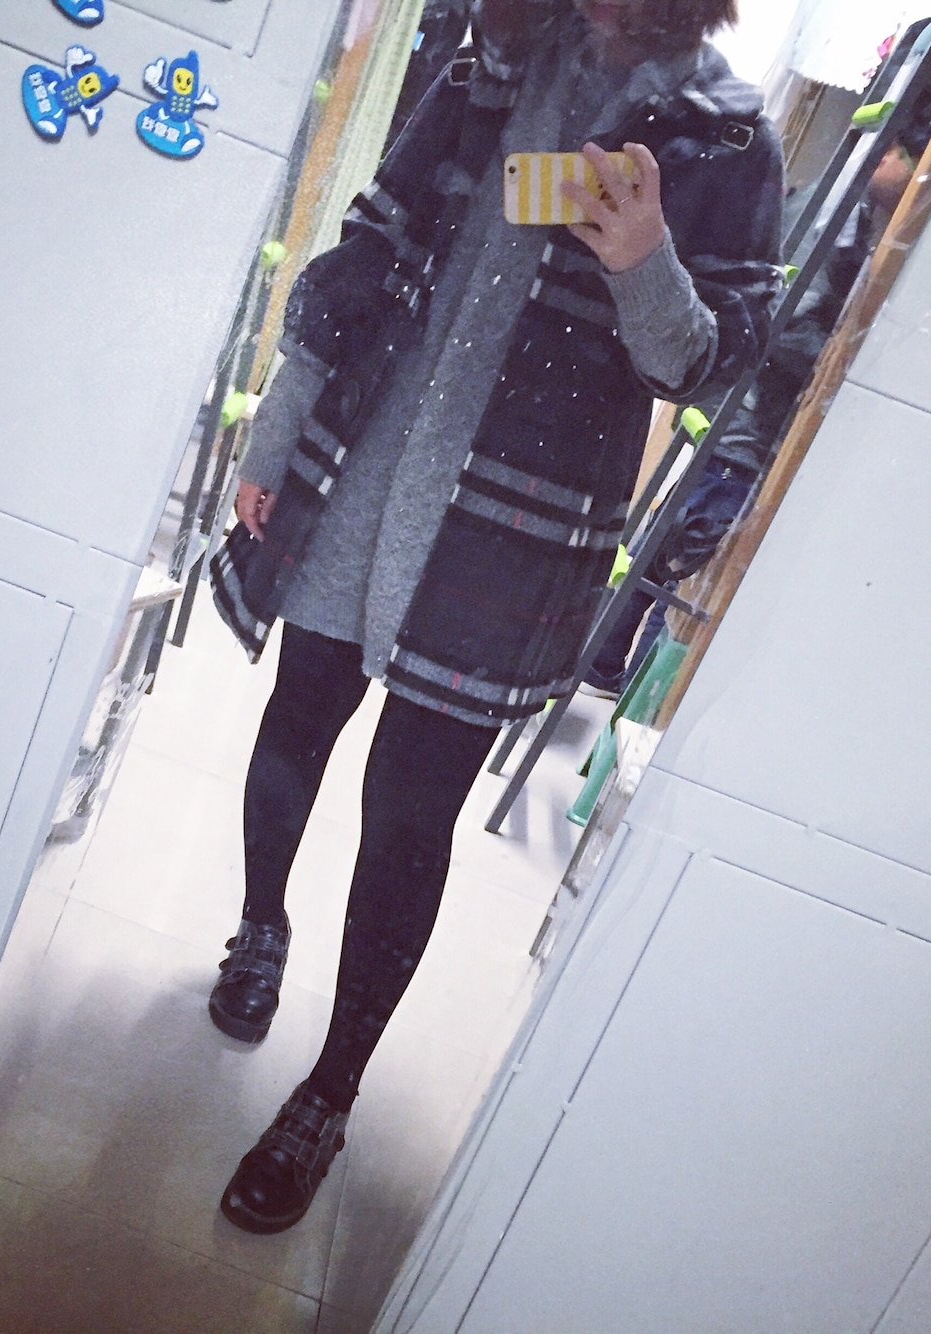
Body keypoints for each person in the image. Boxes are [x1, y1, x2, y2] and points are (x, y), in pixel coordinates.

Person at [208, 0, 785, 1235]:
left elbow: (711, 367)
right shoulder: (493, 58)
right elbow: (365, 247)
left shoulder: (729, 137)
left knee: (408, 811)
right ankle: (258, 926)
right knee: (298, 715)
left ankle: (328, 1090)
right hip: (360, 468)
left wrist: (646, 260)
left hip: (511, 530)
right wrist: (275, 428)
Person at [580, 86, 931, 700]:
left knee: (667, 545)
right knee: (689, 566)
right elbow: (786, 330)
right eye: (912, 160)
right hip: (749, 427)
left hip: (730, 416)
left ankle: (605, 665)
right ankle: (634, 696)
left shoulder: (831, 207)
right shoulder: (837, 229)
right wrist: (837, 360)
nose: (912, 179)